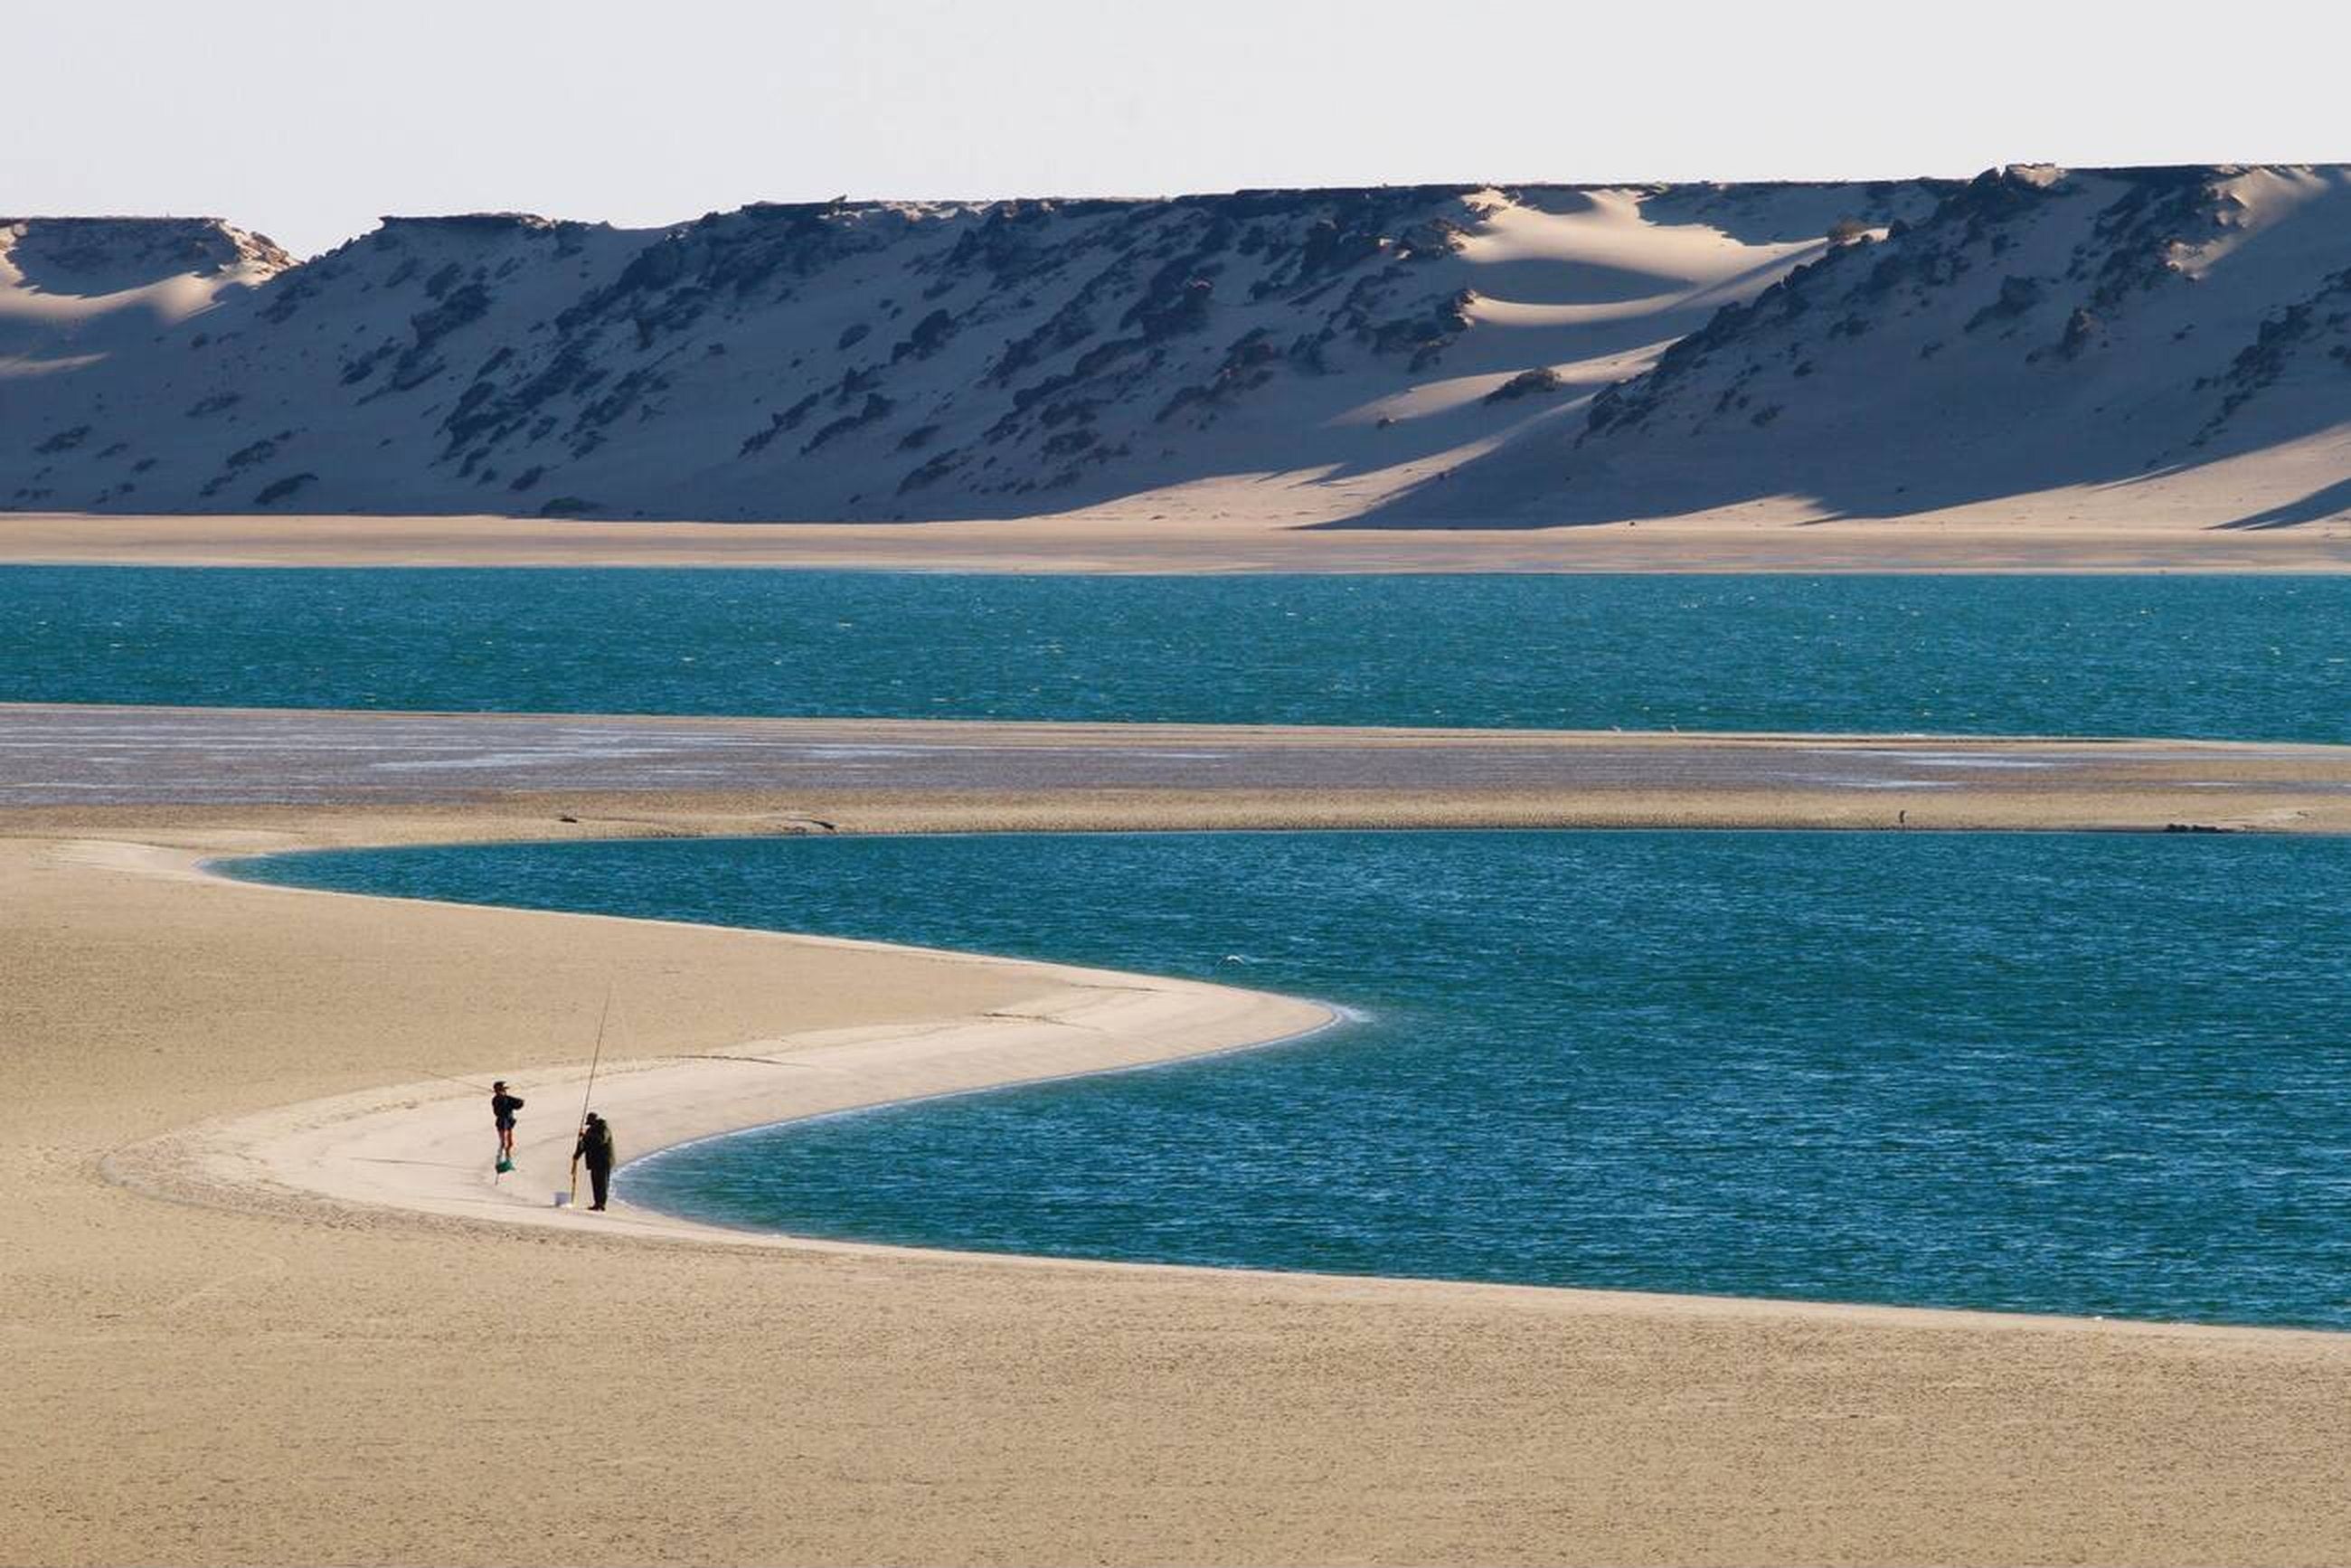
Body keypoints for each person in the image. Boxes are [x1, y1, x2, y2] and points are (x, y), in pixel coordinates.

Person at [575, 1111, 616, 1211]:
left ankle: (602, 1204)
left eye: (590, 1123)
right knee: (595, 1183)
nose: (589, 1125)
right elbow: (585, 1145)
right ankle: (597, 1203)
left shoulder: (604, 1129)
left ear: (595, 1121)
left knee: (602, 1183)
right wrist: (576, 1155)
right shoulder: (590, 1131)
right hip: (595, 1161)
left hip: (604, 1161)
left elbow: (601, 1140)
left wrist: (585, 1136)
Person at [489, 1081, 524, 1165]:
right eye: (502, 1090)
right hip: (502, 1122)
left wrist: (521, 1102)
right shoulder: (495, 1099)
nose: (504, 1091)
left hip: (508, 1122)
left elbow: (517, 1105)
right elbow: (497, 1112)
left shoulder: (507, 1098)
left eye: (504, 1090)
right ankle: (499, 1161)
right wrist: (502, 1099)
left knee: (510, 1143)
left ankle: (508, 1160)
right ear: (497, 1091)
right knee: (503, 1143)